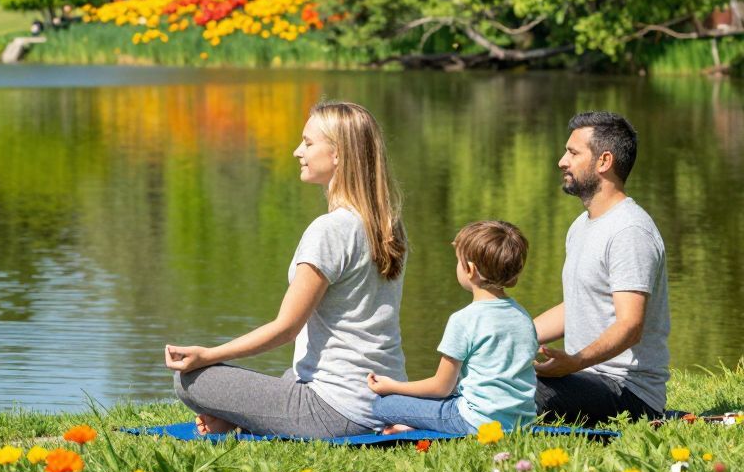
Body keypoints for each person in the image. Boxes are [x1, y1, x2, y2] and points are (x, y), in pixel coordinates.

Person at [165, 101, 407, 437]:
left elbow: (286, 329)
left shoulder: (329, 230)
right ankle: (238, 419)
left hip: (336, 411)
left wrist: (207, 355)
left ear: (338, 154)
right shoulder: (387, 226)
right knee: (291, 375)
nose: (297, 151)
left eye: (308, 143)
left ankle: (243, 417)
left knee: (190, 380)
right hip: (385, 401)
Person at [532, 112, 669, 424]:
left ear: (604, 161)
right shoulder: (581, 225)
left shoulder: (630, 231)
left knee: (513, 391)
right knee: (495, 377)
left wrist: (574, 363)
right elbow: (580, 306)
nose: (562, 162)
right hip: (587, 378)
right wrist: (513, 335)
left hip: (628, 393)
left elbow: (630, 325)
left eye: (573, 153)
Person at [367, 221, 538, 434]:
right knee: (451, 397)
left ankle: (413, 426)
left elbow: (441, 387)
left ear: (470, 270)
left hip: (475, 421)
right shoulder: (523, 317)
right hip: (522, 422)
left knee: (383, 405)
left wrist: (392, 386)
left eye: (458, 260)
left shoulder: (464, 320)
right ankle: (415, 424)